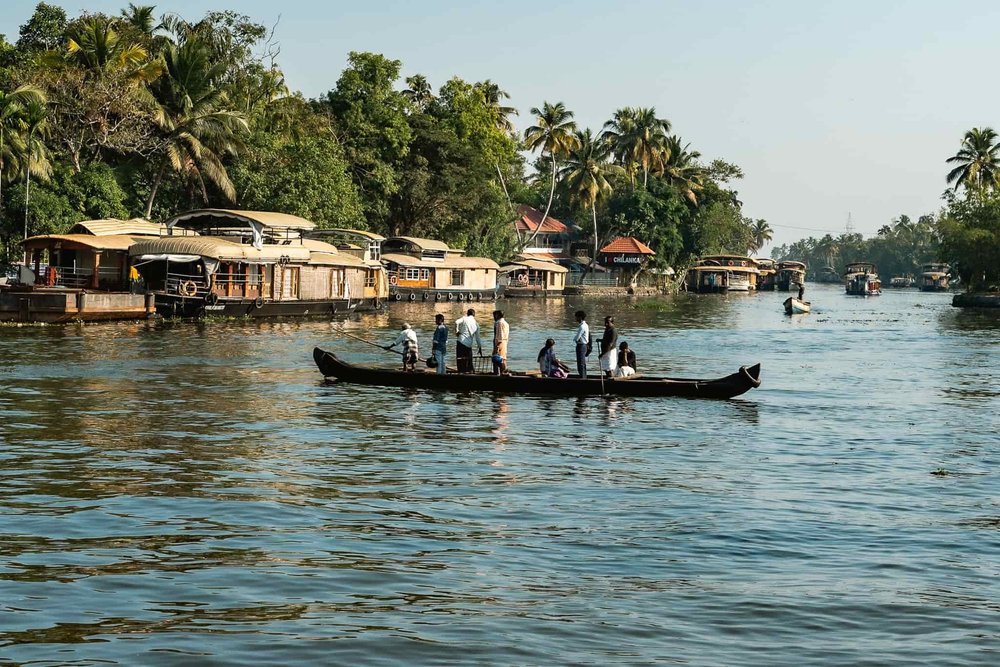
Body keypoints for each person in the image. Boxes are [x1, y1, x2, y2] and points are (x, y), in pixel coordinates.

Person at [455, 308, 483, 373]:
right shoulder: (476, 324)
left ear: (467, 314)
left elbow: (456, 322)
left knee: (460, 360)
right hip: (469, 345)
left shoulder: (464, 318)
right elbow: (477, 338)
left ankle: (461, 372)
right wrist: (480, 347)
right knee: (468, 360)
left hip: (461, 342)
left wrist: (457, 331)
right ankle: (469, 372)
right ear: (474, 315)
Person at [572, 310, 589, 379]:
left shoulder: (582, 326)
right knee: (582, 362)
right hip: (583, 345)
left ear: (580, 317)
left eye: (576, 317)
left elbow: (577, 338)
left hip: (581, 346)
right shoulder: (585, 325)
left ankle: (582, 378)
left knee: (581, 363)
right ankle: (583, 376)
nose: (576, 319)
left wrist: (575, 340)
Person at [492, 310, 509, 374]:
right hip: (504, 342)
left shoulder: (499, 323)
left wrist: (497, 347)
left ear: (497, 315)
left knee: (496, 359)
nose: (494, 317)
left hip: (500, 343)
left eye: (494, 316)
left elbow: (500, 336)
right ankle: (503, 373)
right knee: (503, 359)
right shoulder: (506, 323)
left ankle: (497, 374)